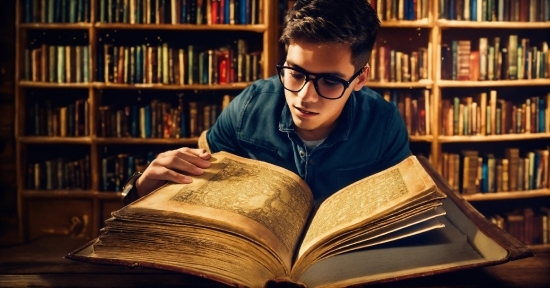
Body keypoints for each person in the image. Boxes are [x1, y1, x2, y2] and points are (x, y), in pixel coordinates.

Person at [124, 0, 411, 206]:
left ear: (360, 78)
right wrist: (141, 190)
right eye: (296, 73)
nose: (305, 96)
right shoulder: (248, 107)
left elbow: (399, 215)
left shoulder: (384, 124)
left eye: (331, 81)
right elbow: (197, 199)